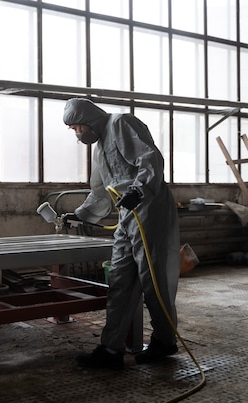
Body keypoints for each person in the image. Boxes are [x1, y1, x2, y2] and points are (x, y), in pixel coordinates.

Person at [61, 97, 180, 369]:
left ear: (89, 121)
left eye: (78, 128)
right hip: (128, 213)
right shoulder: (100, 147)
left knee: (152, 278)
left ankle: (164, 341)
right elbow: (100, 191)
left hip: (149, 206)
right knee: (119, 279)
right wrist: (79, 214)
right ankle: (111, 349)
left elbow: (150, 158)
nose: (78, 134)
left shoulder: (121, 123)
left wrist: (138, 190)